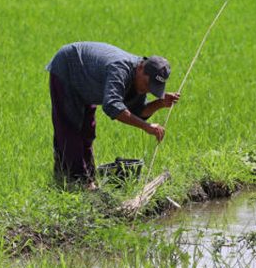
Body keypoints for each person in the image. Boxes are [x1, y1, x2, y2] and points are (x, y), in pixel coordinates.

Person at [46, 41, 180, 187]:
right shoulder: (120, 69)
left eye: (153, 89)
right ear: (141, 68)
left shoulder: (139, 80)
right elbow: (112, 106)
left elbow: (138, 111)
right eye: (148, 85)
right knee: (70, 129)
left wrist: (160, 103)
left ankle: (83, 179)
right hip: (68, 68)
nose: (147, 90)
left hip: (88, 84)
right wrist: (146, 127)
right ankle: (81, 183)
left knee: (87, 131)